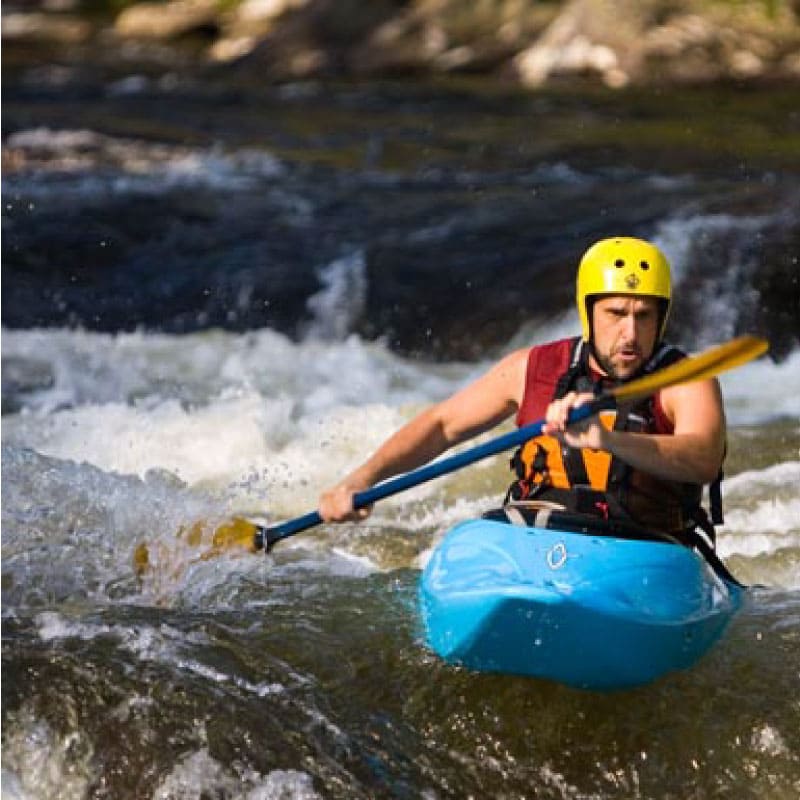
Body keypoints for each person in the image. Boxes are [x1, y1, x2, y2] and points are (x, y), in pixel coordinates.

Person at [319, 237, 726, 543]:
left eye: (644, 316)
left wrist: (608, 439)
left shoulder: (686, 379)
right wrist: (363, 478)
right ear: (588, 312)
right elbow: (442, 425)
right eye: (616, 313)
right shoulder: (532, 369)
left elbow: (703, 457)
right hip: (536, 540)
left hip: (646, 550)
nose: (630, 333)